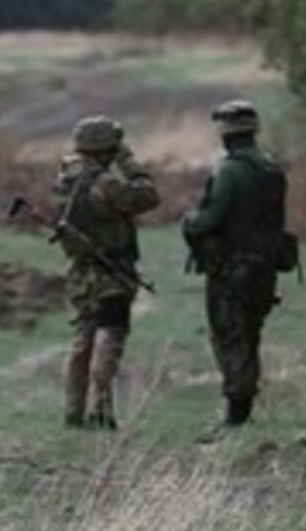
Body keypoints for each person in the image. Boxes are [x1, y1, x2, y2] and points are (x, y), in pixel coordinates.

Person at [182, 99, 288, 437]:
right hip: (266, 264)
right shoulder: (271, 168)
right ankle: (241, 409)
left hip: (233, 266)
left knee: (230, 335)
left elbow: (210, 218)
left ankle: (236, 415)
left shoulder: (230, 171)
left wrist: (190, 221)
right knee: (250, 333)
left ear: (227, 134)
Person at [52, 115, 159, 430]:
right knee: (110, 335)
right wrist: (129, 162)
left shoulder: (64, 181)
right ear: (106, 149)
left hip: (80, 273)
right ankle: (101, 408)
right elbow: (147, 197)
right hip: (111, 272)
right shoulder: (106, 183)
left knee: (82, 339)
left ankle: (73, 411)